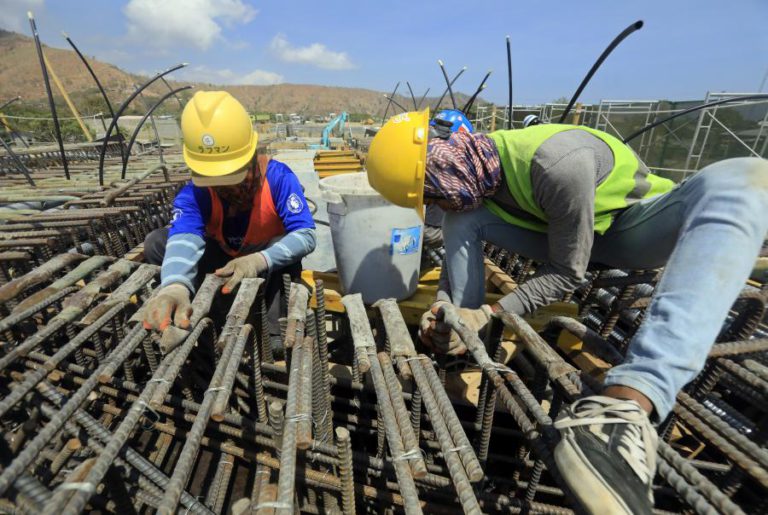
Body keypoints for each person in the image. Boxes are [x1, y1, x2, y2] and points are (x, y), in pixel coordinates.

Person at [366, 109, 768, 514]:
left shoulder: (555, 164)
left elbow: (567, 271)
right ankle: (464, 338)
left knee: (742, 177)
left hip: (628, 231)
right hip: (563, 234)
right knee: (462, 217)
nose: (434, 205)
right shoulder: (476, 172)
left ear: (442, 165)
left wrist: (493, 312)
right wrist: (446, 307)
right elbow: (462, 227)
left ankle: (625, 408)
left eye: (432, 194)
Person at [142, 91, 316, 349]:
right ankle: (208, 311)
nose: (223, 188)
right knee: (157, 242)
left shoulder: (278, 178)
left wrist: (260, 260)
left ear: (250, 156)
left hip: (267, 262)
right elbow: (184, 237)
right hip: (221, 259)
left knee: (285, 249)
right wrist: (174, 284)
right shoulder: (195, 192)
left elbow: (306, 235)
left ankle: (272, 335)